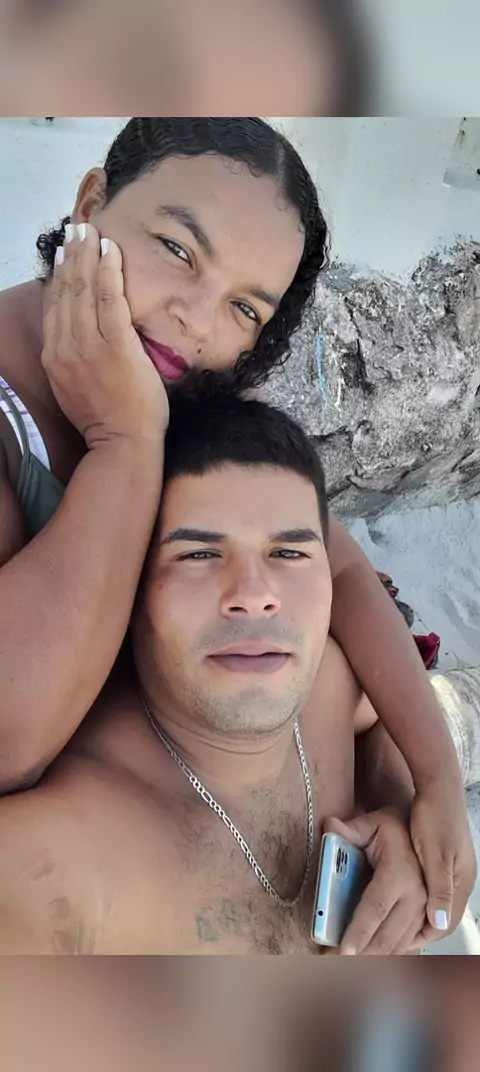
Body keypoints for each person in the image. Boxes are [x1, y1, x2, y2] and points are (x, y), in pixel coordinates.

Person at [0, 117, 475, 940]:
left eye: (244, 307)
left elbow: (344, 570)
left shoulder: (177, 383)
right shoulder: (79, 414)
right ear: (91, 202)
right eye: (177, 249)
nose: (194, 319)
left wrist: (426, 784)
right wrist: (125, 443)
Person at [0, 387, 431, 954]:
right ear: (130, 595)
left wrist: (401, 811)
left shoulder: (331, 680)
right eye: (199, 555)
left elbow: (380, 720)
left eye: (289, 553)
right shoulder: (62, 864)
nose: (254, 596)